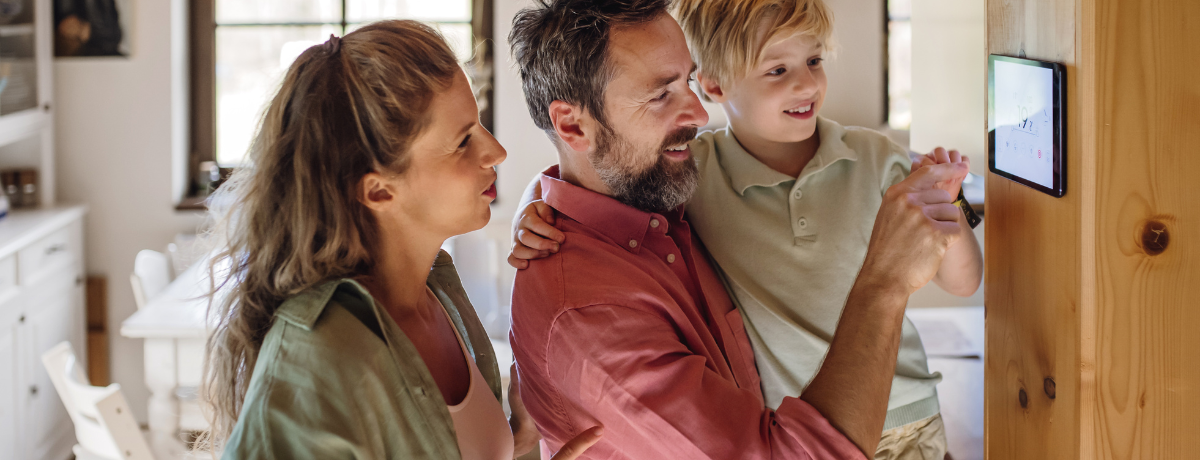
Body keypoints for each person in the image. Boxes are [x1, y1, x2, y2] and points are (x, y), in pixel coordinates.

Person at [511, 1, 984, 458]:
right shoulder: (691, 179)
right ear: (718, 84)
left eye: (814, 60)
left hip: (907, 415)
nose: (697, 113)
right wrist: (533, 205)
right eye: (661, 94)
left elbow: (963, 279)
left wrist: (951, 210)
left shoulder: (875, 158)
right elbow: (587, 175)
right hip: (806, 422)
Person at [200, 20, 599, 460]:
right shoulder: (315, 355)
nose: (496, 151)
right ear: (378, 190)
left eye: (479, 124)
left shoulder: (441, 296)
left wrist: (519, 439)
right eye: (463, 141)